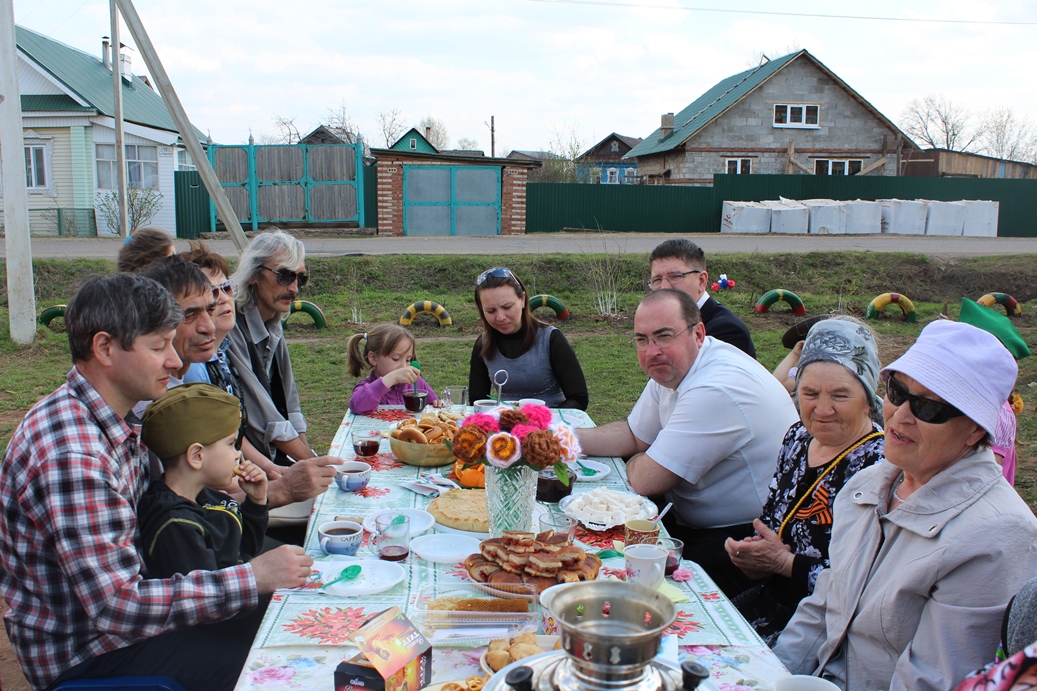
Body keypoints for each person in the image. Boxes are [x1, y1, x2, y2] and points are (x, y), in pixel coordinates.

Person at [0, 273, 312, 691]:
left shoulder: (115, 415)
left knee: (295, 613)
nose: (174, 361)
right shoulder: (72, 455)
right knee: (283, 669)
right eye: (158, 346)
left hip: (131, 620)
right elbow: (116, 606)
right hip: (90, 651)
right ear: (105, 348)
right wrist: (252, 577)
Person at [774, 320, 1037, 691]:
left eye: (928, 408)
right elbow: (823, 608)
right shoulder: (868, 485)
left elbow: (931, 680)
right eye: (897, 391)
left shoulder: (996, 536)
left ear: (976, 429)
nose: (899, 415)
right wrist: (769, 678)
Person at [576, 289, 797, 594]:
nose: (651, 351)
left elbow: (647, 480)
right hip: (694, 523)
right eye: (642, 339)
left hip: (745, 544)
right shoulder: (678, 366)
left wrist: (642, 457)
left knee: (616, 583)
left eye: (664, 336)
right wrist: (564, 438)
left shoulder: (715, 387)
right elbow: (633, 435)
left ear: (698, 333)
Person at [724, 318, 885, 643]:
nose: (822, 410)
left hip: (827, 631)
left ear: (868, 397)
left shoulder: (880, 466)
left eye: (840, 395)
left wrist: (785, 563)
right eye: (809, 393)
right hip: (771, 600)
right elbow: (773, 522)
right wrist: (753, 555)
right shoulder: (798, 438)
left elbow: (867, 581)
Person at [225, 231, 337, 473]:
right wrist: (315, 464)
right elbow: (263, 415)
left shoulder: (273, 320)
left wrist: (308, 459)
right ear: (254, 274)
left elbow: (290, 401)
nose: (294, 288)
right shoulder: (231, 324)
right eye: (285, 276)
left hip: (269, 459)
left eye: (300, 278)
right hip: (240, 467)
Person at [139, 384, 268, 579]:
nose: (238, 455)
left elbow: (244, 550)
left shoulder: (204, 495)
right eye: (231, 444)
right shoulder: (175, 526)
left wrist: (256, 502)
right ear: (197, 456)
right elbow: (206, 593)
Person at [468, 266, 588, 409]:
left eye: (507, 307)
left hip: (552, 419)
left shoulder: (551, 338)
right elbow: (477, 401)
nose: (500, 317)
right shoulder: (483, 344)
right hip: (505, 421)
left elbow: (578, 398)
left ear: (523, 299)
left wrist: (542, 419)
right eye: (490, 311)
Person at [648, 238, 755, 357]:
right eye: (657, 280)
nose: (664, 287)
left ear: (701, 280)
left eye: (675, 277)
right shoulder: (659, 324)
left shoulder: (727, 331)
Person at [347, 323, 442, 414]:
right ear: (373, 358)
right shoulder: (366, 387)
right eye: (395, 359)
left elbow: (434, 404)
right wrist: (391, 378)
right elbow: (357, 406)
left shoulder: (417, 383)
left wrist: (437, 404)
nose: (404, 366)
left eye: (408, 360)